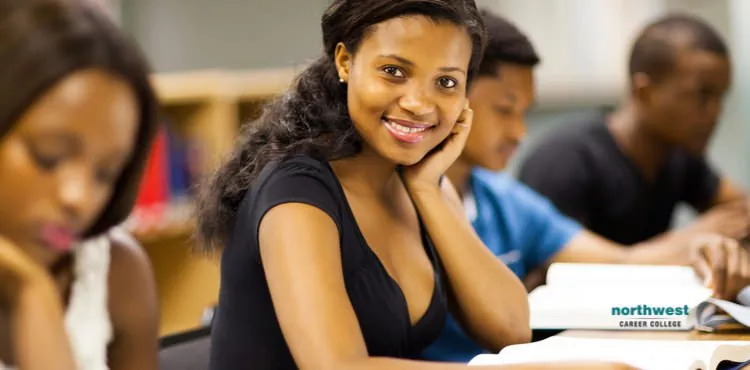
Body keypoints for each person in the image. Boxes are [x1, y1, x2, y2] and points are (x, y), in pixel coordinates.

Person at [196, 1, 636, 369]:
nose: (418, 103)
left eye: (446, 82)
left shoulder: (420, 181)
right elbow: (339, 367)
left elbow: (510, 327)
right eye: (393, 71)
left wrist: (428, 190)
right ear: (346, 62)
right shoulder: (296, 191)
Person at [419, 9, 750, 364]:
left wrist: (701, 243)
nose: (520, 133)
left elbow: (621, 262)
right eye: (504, 110)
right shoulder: (564, 160)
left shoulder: (505, 199)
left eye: (524, 113)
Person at [0, 0, 161, 369]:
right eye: (49, 156)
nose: (81, 199)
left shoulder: (117, 275)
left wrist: (32, 296)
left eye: (106, 173)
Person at [518, 13, 749, 259]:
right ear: (644, 92)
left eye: (720, 97)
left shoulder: (678, 154)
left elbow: (739, 211)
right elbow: (552, 271)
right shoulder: (565, 162)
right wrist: (689, 239)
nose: (715, 113)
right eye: (702, 96)